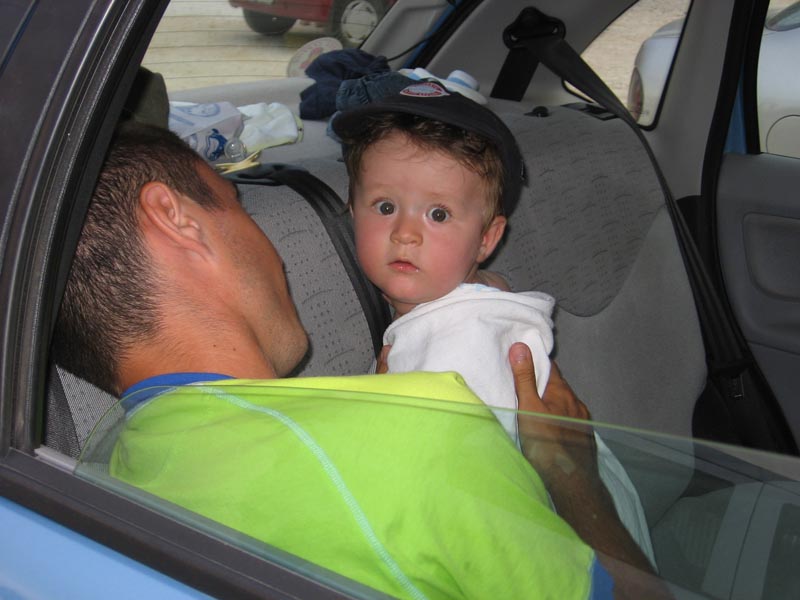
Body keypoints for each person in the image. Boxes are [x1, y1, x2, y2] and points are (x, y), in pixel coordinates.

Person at [54, 123, 667, 599]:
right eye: (238, 205)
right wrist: (570, 472)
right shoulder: (424, 434)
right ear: (177, 219)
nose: (270, 244)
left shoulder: (99, 479)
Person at [332, 81, 654, 562]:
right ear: (352, 212)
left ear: (487, 238)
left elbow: (434, 503)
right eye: (385, 207)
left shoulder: (458, 347)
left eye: (438, 214)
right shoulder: (484, 297)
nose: (405, 233)